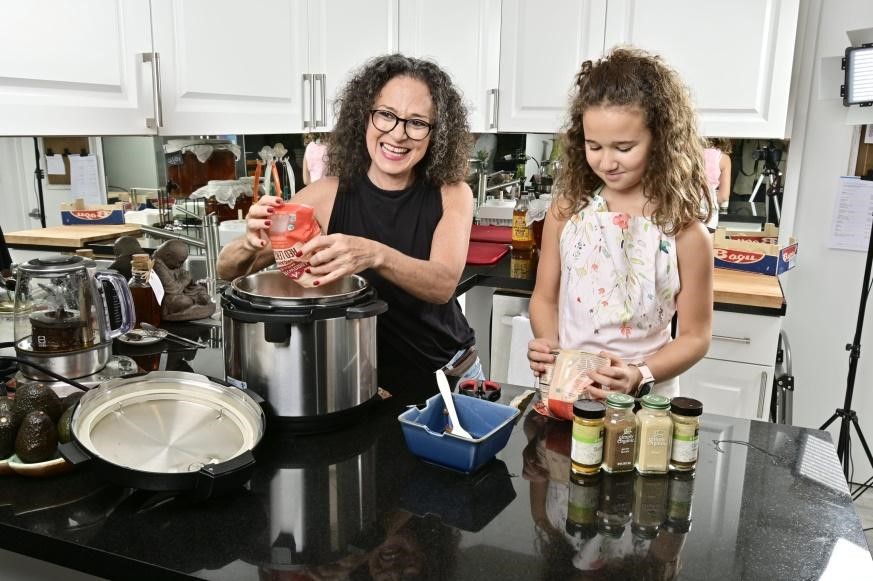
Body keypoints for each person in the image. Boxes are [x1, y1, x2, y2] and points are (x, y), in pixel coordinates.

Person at [217, 53, 483, 402]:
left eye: (417, 122)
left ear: (435, 134)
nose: (398, 134)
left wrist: (373, 253)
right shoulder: (324, 196)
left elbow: (443, 284)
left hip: (451, 377)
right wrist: (250, 244)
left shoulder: (453, 194)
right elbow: (227, 269)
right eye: (386, 115)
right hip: (366, 386)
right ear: (365, 117)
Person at [527, 47, 713, 400]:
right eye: (593, 146)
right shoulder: (567, 214)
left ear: (660, 141)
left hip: (648, 402)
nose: (607, 162)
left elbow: (695, 336)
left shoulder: (684, 233)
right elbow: (544, 299)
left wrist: (639, 374)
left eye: (624, 147)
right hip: (569, 391)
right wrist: (547, 344)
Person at [703, 137, 732, 232]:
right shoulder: (724, 159)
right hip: (708, 214)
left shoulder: (687, 153)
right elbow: (723, 196)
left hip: (685, 212)